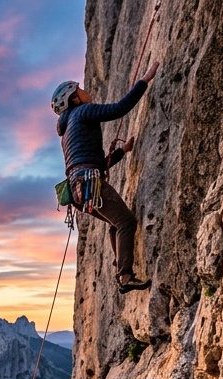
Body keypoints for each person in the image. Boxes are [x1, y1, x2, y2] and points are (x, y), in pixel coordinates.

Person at [51, 63, 160, 295]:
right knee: (126, 222)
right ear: (75, 99)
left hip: (77, 190)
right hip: (89, 182)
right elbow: (119, 109)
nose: (85, 91)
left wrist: (122, 151)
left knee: (115, 223)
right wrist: (145, 80)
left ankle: (121, 268)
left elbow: (93, 161)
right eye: (79, 90)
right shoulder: (83, 112)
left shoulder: (67, 131)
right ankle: (125, 276)